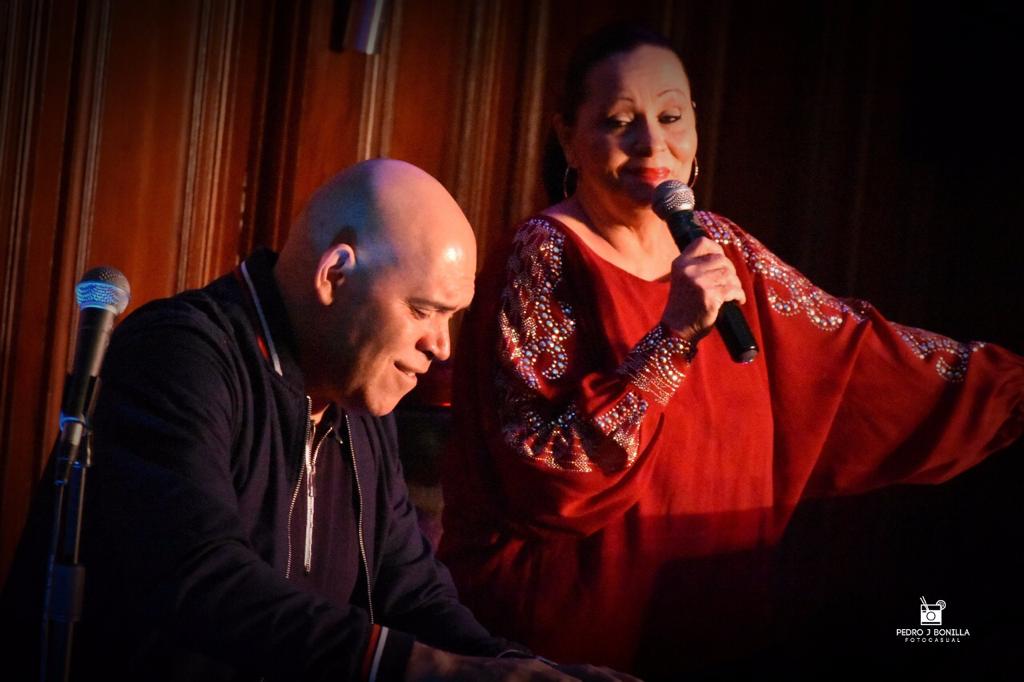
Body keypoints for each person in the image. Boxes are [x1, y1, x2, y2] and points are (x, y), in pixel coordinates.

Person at [437, 25, 1024, 679]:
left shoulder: (723, 247)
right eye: (619, 121)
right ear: (568, 136)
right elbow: (548, 471)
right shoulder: (542, 253)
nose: (651, 143)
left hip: (706, 611)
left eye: (669, 116)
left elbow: (853, 355)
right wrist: (674, 338)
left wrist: (1010, 388)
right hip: (574, 630)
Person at [0, 159, 635, 682]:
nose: (442, 346)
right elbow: (202, 578)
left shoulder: (357, 399)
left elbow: (410, 595)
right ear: (334, 274)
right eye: (423, 310)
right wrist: (444, 674)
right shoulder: (179, 353)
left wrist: (528, 671)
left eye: (451, 317)